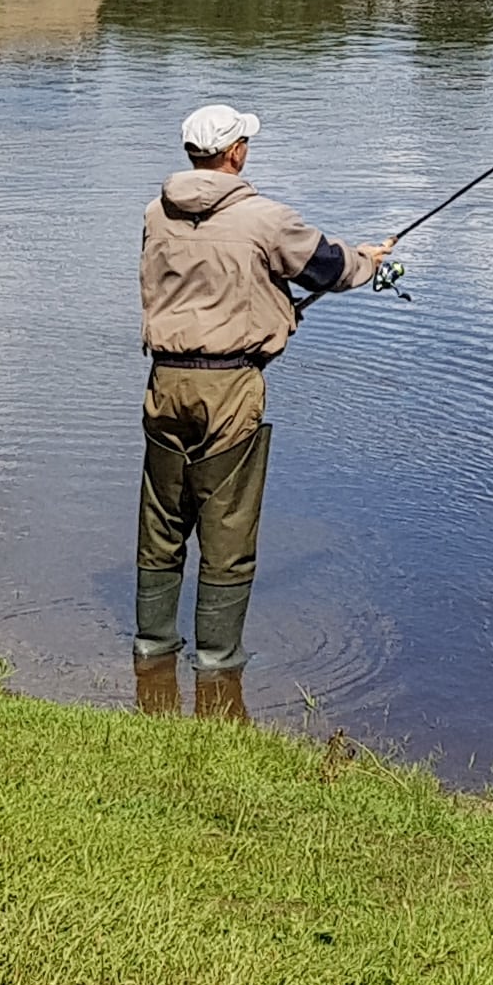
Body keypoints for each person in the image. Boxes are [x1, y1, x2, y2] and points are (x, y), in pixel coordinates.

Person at [135, 101, 392, 686]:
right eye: (244, 142)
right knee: (227, 522)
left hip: (165, 380)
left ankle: (150, 651)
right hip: (230, 383)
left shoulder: (155, 213)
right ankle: (218, 668)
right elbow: (329, 268)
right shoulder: (264, 218)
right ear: (234, 153)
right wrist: (370, 261)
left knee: (162, 517)